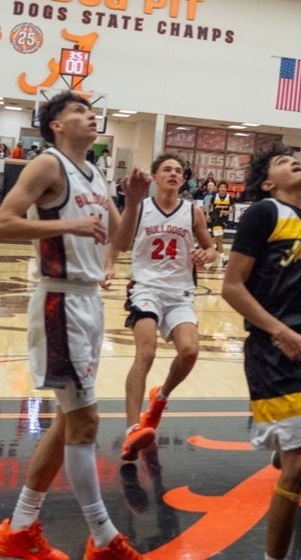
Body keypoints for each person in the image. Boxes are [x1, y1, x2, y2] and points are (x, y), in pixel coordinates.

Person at [0, 91, 141, 560]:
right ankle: (102, 536)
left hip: (89, 303)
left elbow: (122, 238)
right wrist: (66, 227)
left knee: (69, 419)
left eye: (93, 112)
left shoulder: (95, 172)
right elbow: (2, 226)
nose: (90, 117)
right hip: (59, 301)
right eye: (78, 111)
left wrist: (132, 202)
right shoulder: (47, 166)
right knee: (85, 419)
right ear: (55, 125)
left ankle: (20, 527)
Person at [222, 144, 301, 560]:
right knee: (299, 465)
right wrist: (280, 332)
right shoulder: (264, 213)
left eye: (297, 159)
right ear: (268, 182)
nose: (296, 162)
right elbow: (232, 286)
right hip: (274, 349)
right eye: (281, 161)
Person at [113, 153, 216, 463]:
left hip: (179, 292)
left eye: (178, 171)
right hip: (146, 288)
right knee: (146, 352)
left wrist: (205, 255)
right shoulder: (141, 207)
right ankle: (133, 428)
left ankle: (160, 397)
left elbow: (213, 248)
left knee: (190, 351)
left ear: (184, 180)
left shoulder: (193, 212)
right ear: (155, 178)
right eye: (166, 169)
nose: (173, 174)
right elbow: (119, 241)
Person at [209, 180, 233, 266]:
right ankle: (223, 258)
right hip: (216, 219)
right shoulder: (214, 197)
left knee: (219, 239)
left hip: (224, 221)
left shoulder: (229, 198)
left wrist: (228, 212)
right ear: (218, 188)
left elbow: (233, 208)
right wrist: (208, 215)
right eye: (221, 187)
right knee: (219, 238)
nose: (223, 189)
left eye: (224, 187)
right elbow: (209, 206)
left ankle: (202, 246)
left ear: (226, 189)